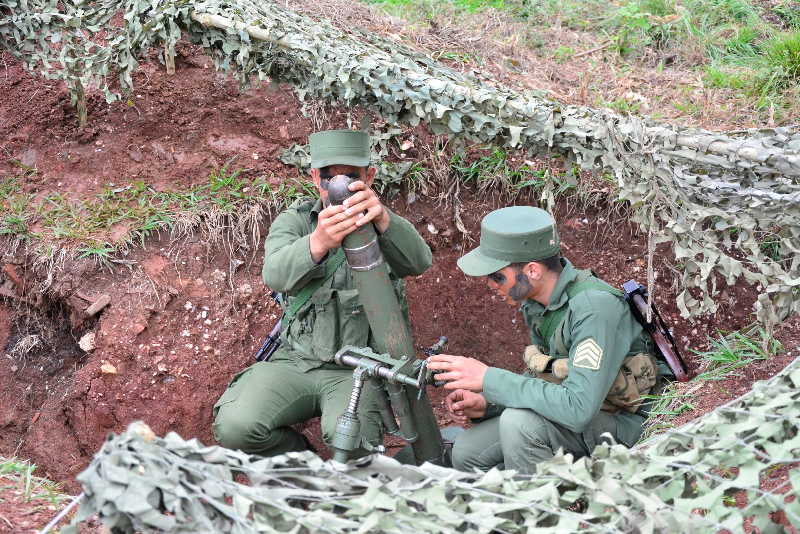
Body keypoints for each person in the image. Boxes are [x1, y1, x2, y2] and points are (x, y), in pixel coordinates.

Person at [212, 129, 432, 458]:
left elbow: (419, 262)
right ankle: (302, 466)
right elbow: (275, 274)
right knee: (235, 426)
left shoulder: (385, 224)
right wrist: (319, 243)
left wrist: (383, 218)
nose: (339, 186)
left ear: (369, 176)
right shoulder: (297, 222)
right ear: (316, 178)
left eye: (351, 176)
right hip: (296, 361)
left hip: (360, 368)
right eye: (329, 177)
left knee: (350, 440)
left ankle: (355, 492)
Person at [427, 206, 664, 474]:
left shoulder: (594, 309)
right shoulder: (538, 304)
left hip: (627, 422)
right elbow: (545, 379)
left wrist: (489, 379)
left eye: (497, 276)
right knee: (468, 452)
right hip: (585, 414)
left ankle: (544, 510)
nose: (490, 285)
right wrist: (488, 403)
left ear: (532, 271)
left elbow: (578, 408)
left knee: (519, 425)